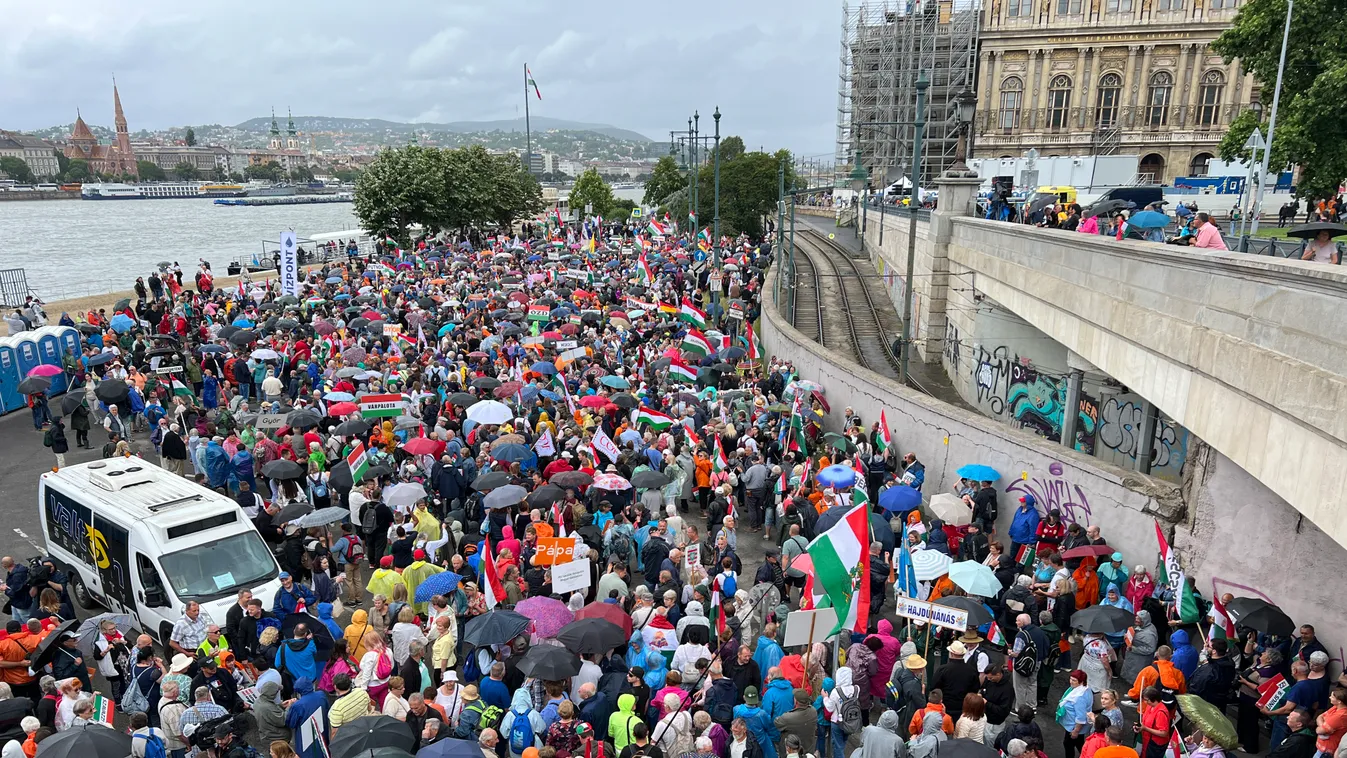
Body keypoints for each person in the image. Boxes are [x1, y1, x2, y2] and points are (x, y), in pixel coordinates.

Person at [1058, 670, 1094, 758]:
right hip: (1075, 726)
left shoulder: (1079, 698)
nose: (1071, 682)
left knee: (1068, 744)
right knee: (1079, 743)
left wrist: (1076, 731)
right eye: (1071, 679)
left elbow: (1081, 717)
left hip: (1073, 727)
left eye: (1074, 680)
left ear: (1081, 682)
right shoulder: (1085, 689)